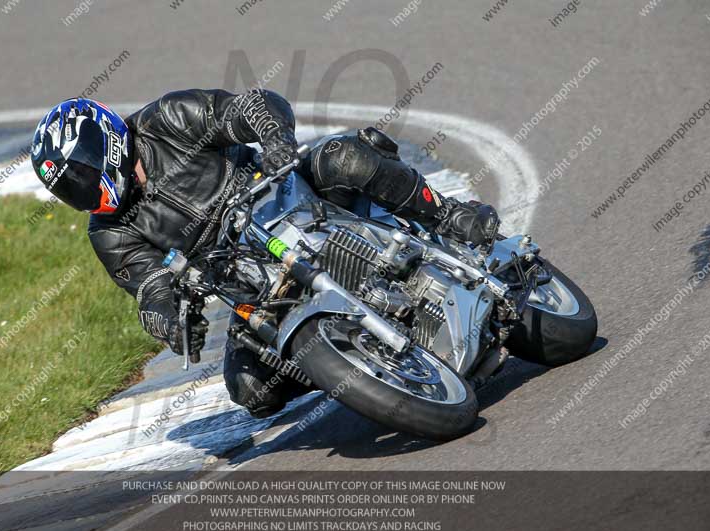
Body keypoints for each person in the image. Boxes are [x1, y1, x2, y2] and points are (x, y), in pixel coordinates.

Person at [30, 91, 499, 418]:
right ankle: (356, 365)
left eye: (80, 175)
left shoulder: (166, 119)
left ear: (103, 143)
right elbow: (149, 288)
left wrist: (274, 141)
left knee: (343, 155)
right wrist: (169, 319)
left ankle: (449, 216)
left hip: (293, 201)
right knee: (251, 390)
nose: (82, 192)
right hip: (254, 287)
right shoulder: (108, 232)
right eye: (68, 189)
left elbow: (251, 106)